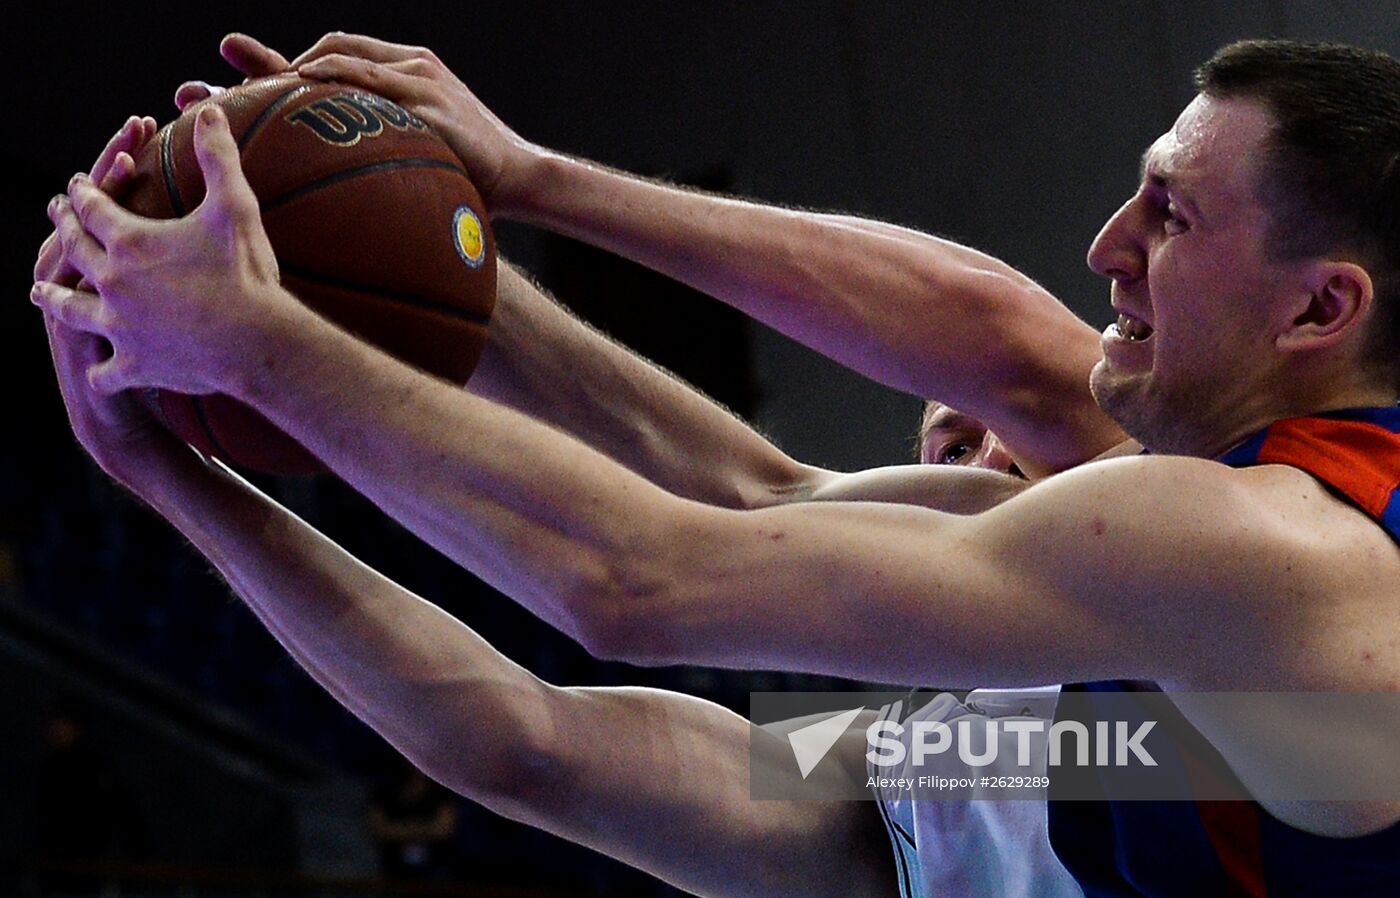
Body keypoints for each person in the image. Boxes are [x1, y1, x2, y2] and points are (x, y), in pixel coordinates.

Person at [35, 32, 1400, 896]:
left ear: (1320, 311)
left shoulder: (1279, 557)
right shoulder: (991, 754)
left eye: (1169, 213)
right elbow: (723, 528)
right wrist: (426, 228)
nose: (1108, 243)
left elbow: (638, 574)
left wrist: (262, 343)